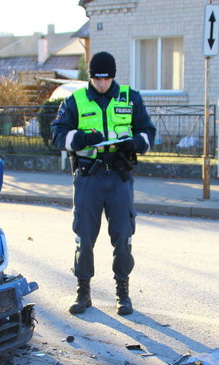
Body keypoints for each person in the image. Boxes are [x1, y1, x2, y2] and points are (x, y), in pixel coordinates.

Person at [51, 51, 156, 316]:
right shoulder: (75, 100)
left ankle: (123, 292)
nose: (102, 84)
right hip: (89, 177)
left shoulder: (130, 98)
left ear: (113, 76)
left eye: (107, 79)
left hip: (119, 176)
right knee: (84, 237)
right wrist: (80, 138)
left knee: (123, 235)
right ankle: (83, 291)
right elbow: (56, 134)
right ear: (91, 77)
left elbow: (148, 131)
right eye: (97, 79)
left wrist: (137, 142)